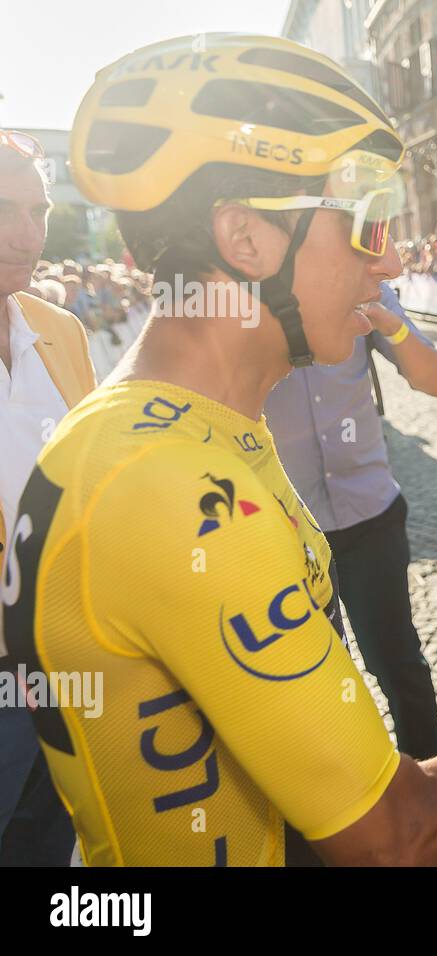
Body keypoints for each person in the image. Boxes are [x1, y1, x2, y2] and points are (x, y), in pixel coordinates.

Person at [3, 34, 437, 867]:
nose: (393, 258)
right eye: (367, 222)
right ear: (247, 240)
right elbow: (403, 842)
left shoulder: (187, 430)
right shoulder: (166, 486)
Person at [263, 282, 437, 760]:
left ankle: (430, 797)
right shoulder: (241, 294)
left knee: (400, 666)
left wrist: (390, 323)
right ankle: (350, 810)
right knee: (316, 685)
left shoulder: (362, 281)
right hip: (286, 532)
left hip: (371, 516)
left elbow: (435, 380)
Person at [0, 130, 82, 866]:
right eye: (4, 209)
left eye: (40, 209)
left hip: (68, 659)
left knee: (47, 848)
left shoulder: (61, 330)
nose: (28, 233)